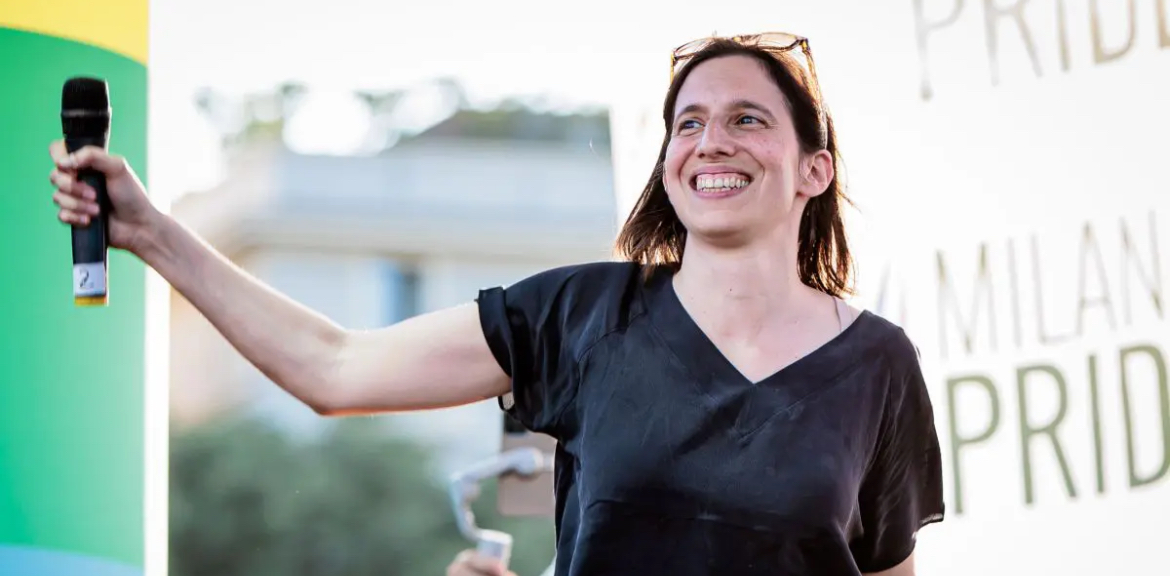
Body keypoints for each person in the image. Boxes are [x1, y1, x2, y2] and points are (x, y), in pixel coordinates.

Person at [48, 32, 944, 576]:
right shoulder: (580, 316)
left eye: (747, 117)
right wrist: (151, 231)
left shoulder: (877, 364)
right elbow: (334, 367)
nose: (711, 139)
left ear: (814, 169)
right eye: (688, 121)